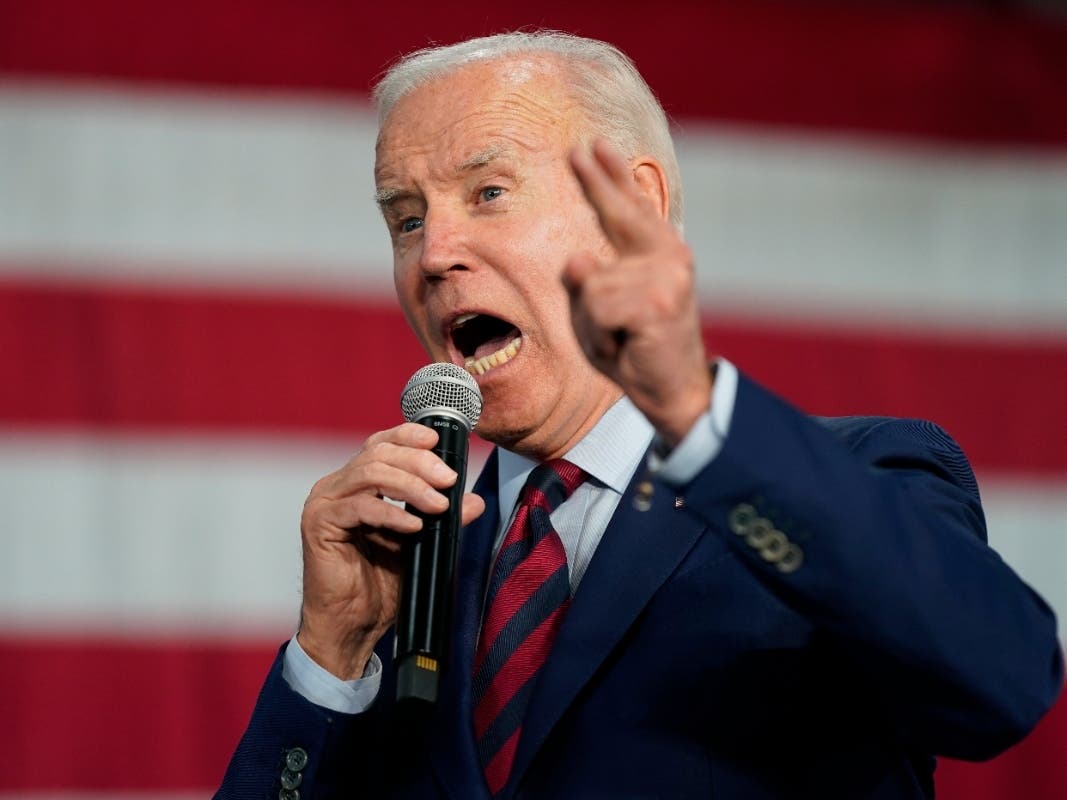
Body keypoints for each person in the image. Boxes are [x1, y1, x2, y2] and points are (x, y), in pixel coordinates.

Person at [216, 31, 1062, 799]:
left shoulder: (848, 480)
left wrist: (699, 416)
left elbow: (1001, 683)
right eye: (405, 218)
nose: (434, 255)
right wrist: (331, 659)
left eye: (488, 192)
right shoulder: (415, 569)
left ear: (634, 205)